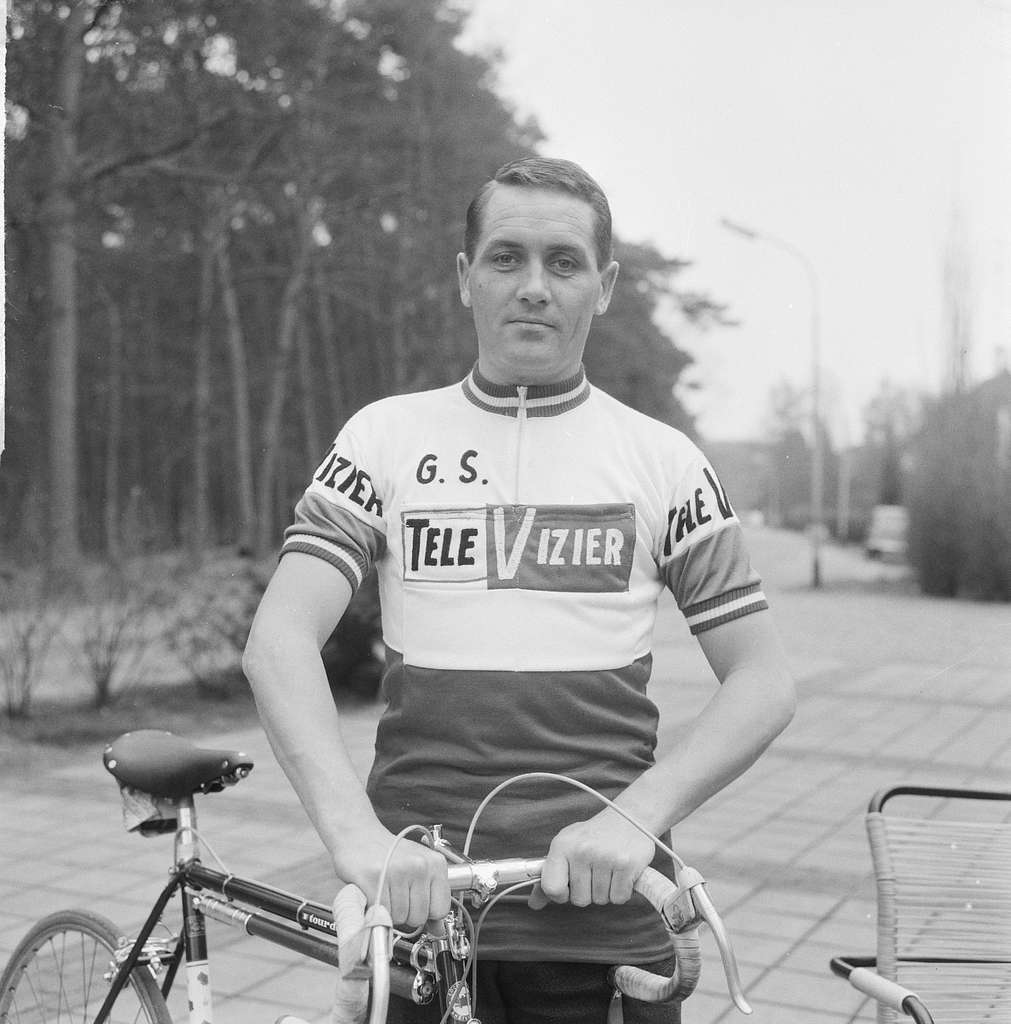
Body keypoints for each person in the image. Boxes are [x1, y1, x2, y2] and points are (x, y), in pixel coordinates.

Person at [243, 157, 796, 1024]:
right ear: (466, 278)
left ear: (603, 286)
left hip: (606, 928)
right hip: (422, 916)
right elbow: (278, 641)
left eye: (563, 262)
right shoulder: (384, 437)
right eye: (505, 258)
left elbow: (762, 681)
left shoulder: (662, 459)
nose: (533, 286)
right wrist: (356, 839)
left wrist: (636, 821)